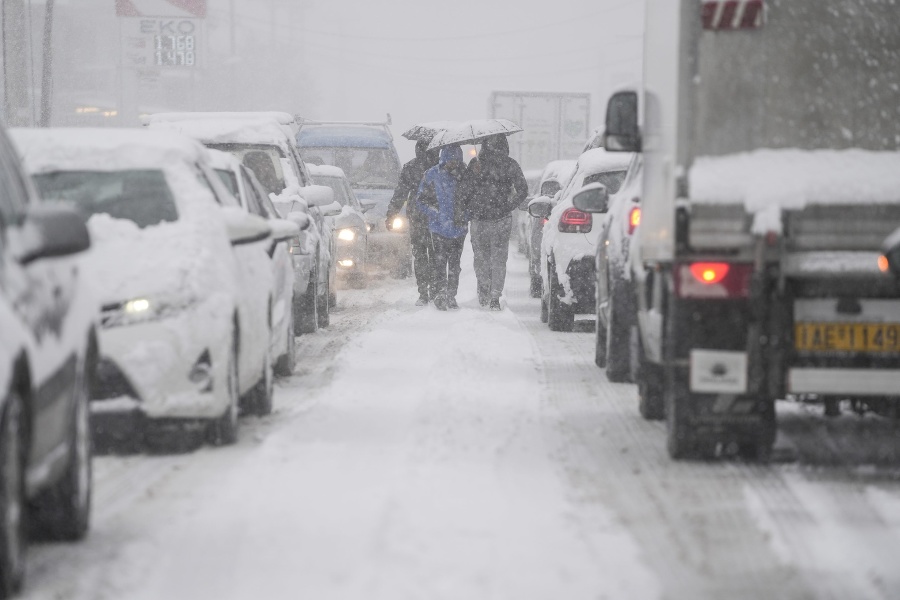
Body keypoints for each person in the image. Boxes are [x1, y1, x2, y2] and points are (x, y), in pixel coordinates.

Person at [465, 134, 529, 310]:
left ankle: (484, 290)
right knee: (499, 259)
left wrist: (470, 208)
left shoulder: (475, 163)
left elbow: (465, 190)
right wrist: (509, 206)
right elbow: (523, 190)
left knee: (481, 259)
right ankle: (495, 296)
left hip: (479, 219)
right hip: (501, 219)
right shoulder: (510, 164)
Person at [415, 144, 470, 311]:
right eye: (450, 160)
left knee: (454, 264)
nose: (453, 164)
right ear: (444, 159)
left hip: (458, 228)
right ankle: (440, 293)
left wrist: (465, 215)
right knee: (439, 263)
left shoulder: (465, 176)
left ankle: (451, 295)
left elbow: (473, 199)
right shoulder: (432, 175)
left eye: (456, 161)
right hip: (438, 228)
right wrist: (435, 213)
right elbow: (421, 200)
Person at [386, 140, 440, 305]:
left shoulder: (411, 167)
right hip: (437, 216)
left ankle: (423, 292)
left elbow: (401, 192)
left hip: (417, 217)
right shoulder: (439, 166)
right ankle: (436, 290)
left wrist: (392, 213)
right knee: (436, 255)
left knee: (421, 255)